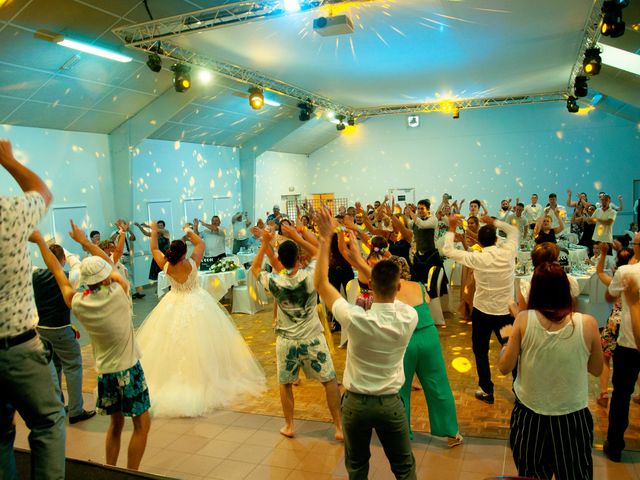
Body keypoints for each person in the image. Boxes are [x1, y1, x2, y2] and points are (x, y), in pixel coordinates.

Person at [30, 221, 151, 470]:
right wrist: (85, 242)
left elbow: (56, 271)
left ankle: (110, 472)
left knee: (115, 426)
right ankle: (132, 473)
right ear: (106, 277)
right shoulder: (119, 292)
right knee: (142, 425)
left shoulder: (79, 303)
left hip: (105, 374)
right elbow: (111, 263)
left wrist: (41, 241)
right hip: (129, 369)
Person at [314, 206, 417, 480]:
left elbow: (321, 282)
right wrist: (361, 261)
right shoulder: (409, 316)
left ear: (370, 285)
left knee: (357, 468)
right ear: (398, 287)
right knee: (405, 469)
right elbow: (388, 286)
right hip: (390, 404)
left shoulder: (354, 316)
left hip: (356, 405)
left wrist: (325, 239)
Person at [136, 222, 265, 417]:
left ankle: (173, 381)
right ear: (184, 252)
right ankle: (204, 381)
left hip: (173, 302)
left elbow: (154, 248)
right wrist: (188, 230)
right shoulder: (192, 262)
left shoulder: (166, 265)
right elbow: (201, 243)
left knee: (169, 344)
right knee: (203, 343)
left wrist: (154, 232)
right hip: (197, 302)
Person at [498, 262, 603, 479]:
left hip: (530, 417)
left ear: (535, 291)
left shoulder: (523, 320)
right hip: (572, 416)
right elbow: (596, 369)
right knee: (575, 474)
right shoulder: (588, 324)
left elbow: (504, 366)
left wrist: (507, 342)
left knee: (532, 475)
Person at [0, 139, 65, 480]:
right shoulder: (7, 213)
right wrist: (7, 159)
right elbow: (41, 191)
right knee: (48, 423)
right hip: (18, 346)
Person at [250, 228, 342, 440]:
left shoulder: (275, 281)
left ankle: (289, 425)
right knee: (329, 380)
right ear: (299, 258)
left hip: (286, 341)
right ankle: (338, 426)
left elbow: (255, 268)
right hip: (312, 338)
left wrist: (264, 243)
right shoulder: (310, 276)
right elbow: (320, 253)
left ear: (279, 260)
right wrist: (295, 235)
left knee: (285, 383)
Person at [442, 214, 519, 404]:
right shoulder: (509, 252)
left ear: (480, 243)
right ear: (495, 239)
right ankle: (519, 389)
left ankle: (486, 389)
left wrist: (451, 228)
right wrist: (494, 222)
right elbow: (514, 231)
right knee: (511, 348)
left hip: (482, 314)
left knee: (480, 349)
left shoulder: (477, 258)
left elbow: (448, 250)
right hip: (505, 314)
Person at [32, 243, 95, 424]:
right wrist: (67, 253)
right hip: (60, 328)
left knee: (54, 368)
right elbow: (77, 263)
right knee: (73, 367)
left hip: (42, 329)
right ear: (62, 260)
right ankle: (75, 410)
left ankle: (57, 407)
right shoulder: (69, 277)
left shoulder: (36, 275)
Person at [603, 231, 640, 462]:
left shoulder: (627, 272)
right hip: (629, 340)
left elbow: (609, 297)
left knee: (622, 395)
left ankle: (615, 446)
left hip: (629, 342)